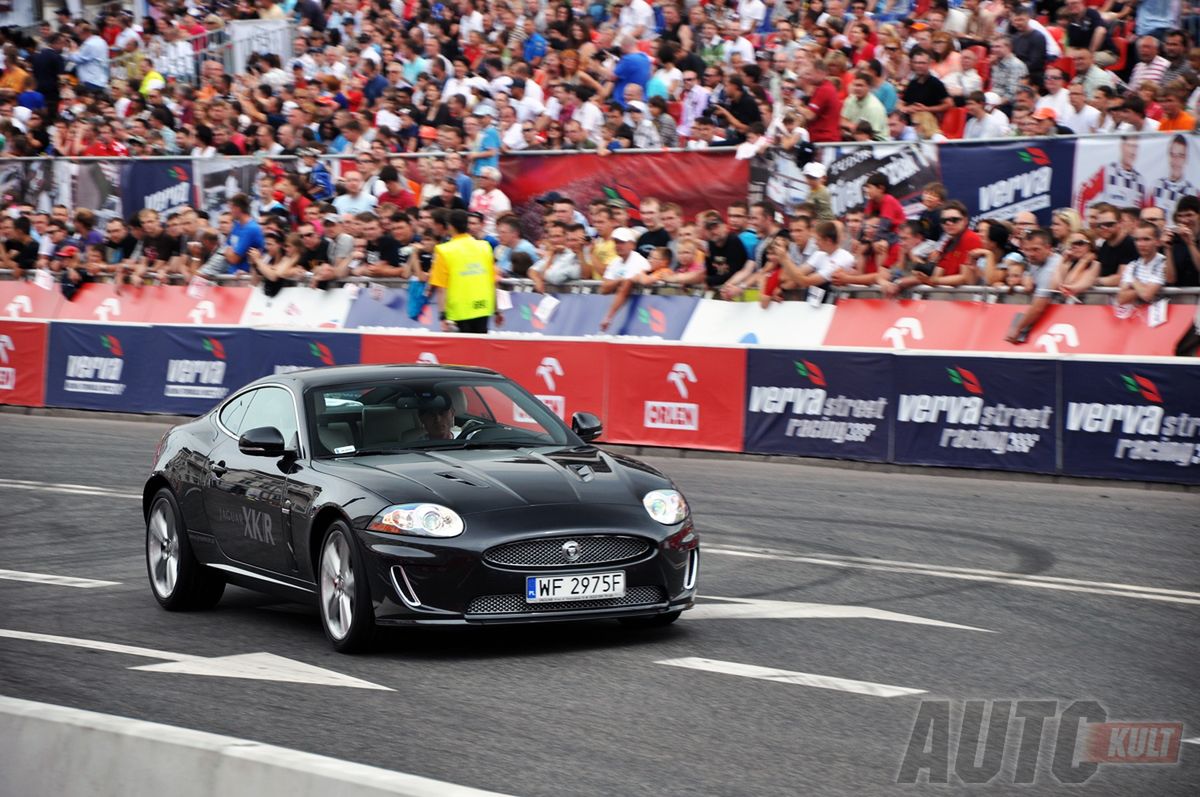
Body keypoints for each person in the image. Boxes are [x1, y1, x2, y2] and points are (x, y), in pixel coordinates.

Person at [427, 209, 497, 334]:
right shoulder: (485, 247)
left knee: (463, 351)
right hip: (483, 306)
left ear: (450, 226)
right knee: (480, 348)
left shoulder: (444, 250)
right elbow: (493, 281)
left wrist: (442, 315)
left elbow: (441, 288)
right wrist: (497, 309)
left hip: (459, 310)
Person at [1005, 228, 1063, 343]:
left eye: (1036, 249)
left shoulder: (1051, 269)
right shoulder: (1034, 260)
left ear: (1048, 248)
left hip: (1060, 320)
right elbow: (1027, 270)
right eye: (1027, 250)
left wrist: (1017, 328)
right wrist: (1026, 277)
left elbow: (1038, 307)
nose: (1031, 254)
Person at [1116, 222, 1167, 314]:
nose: (1140, 244)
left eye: (1146, 239)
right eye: (1137, 240)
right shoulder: (1132, 265)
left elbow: (1147, 295)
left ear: (1158, 241)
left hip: (1159, 317)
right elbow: (1121, 298)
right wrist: (1143, 289)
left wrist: (1133, 279)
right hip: (1138, 318)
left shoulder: (1163, 262)